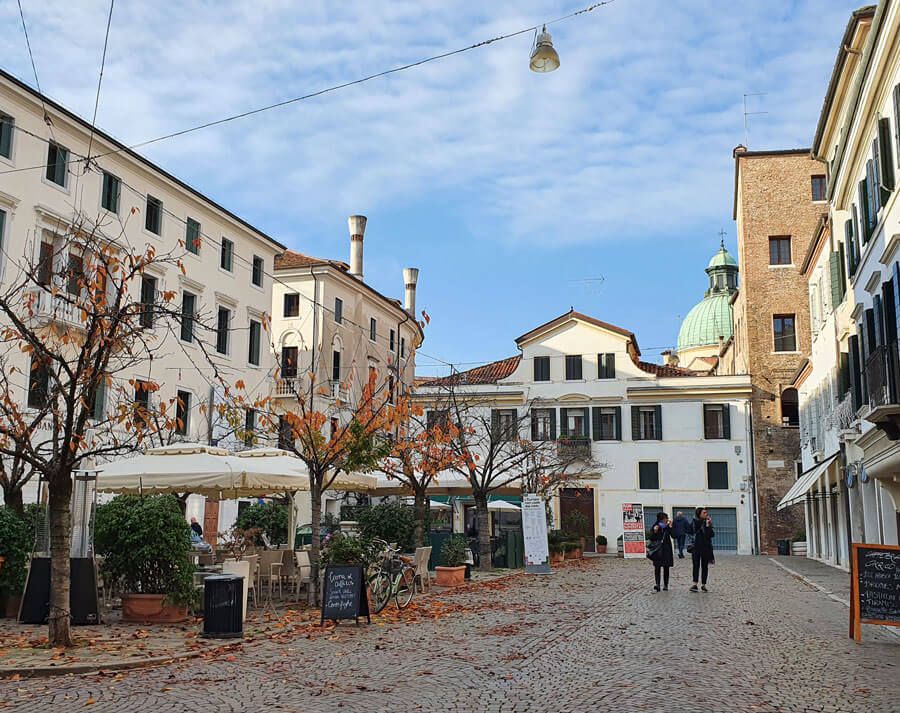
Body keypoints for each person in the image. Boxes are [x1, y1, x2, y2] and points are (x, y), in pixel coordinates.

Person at [688, 507, 715, 592]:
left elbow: (711, 534)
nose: (706, 514)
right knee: (696, 566)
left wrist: (707, 525)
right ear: (699, 514)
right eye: (704, 513)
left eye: (706, 512)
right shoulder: (694, 522)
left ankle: (703, 585)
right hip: (696, 547)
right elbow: (690, 531)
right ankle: (695, 584)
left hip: (706, 547)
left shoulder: (707, 523)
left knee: (705, 566)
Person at [647, 511, 674, 592]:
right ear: (661, 519)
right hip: (657, 550)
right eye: (666, 518)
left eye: (667, 518)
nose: (667, 520)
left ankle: (666, 585)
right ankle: (657, 584)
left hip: (666, 549)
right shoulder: (655, 526)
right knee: (657, 568)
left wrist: (671, 528)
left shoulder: (667, 527)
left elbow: (674, 535)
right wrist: (655, 532)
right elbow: (651, 538)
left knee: (666, 567)